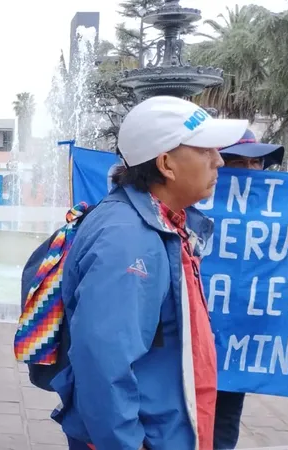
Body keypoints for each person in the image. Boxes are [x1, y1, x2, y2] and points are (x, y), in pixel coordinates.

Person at [56, 96, 247, 450]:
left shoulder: (161, 225)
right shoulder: (129, 238)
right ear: (166, 164)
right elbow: (102, 362)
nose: (219, 159)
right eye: (205, 149)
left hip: (163, 429)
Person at [213, 129, 284, 450]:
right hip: (185, 346)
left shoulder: (278, 218)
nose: (252, 172)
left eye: (258, 163)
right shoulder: (184, 210)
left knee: (224, 425)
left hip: (238, 345)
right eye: (240, 162)